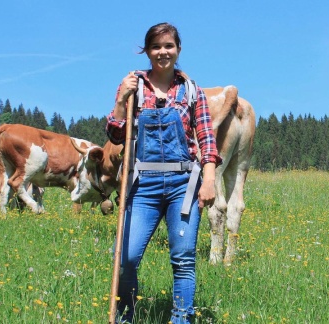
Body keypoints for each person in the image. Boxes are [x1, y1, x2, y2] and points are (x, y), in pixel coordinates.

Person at [105, 22, 222, 324]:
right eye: (156, 46)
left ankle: (181, 318)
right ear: (147, 51)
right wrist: (120, 102)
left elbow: (208, 141)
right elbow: (116, 136)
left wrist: (208, 181)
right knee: (127, 258)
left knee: (183, 259)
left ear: (178, 50)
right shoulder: (133, 86)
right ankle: (126, 315)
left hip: (183, 184)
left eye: (169, 46)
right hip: (143, 184)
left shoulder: (191, 90)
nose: (163, 52)